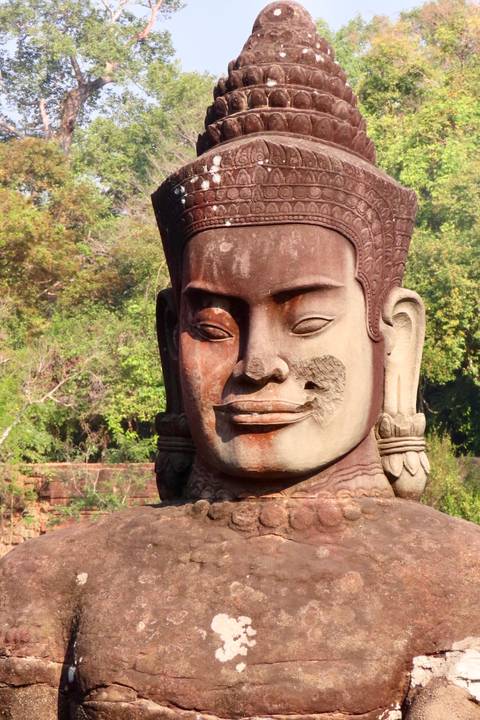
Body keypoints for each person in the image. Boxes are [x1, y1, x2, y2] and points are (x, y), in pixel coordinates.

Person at [1, 3, 479, 718]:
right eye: (215, 325)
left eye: (307, 320)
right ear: (173, 342)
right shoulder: (51, 578)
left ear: (396, 338)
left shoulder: (461, 578)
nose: (259, 364)